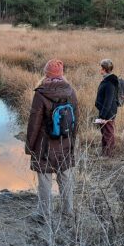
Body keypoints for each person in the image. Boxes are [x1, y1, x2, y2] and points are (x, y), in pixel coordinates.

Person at [25, 59, 79, 220]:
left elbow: (34, 124)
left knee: (45, 181)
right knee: (66, 178)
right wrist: (72, 142)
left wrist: (30, 147)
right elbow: (76, 120)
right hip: (65, 143)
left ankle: (43, 215)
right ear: (61, 74)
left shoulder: (40, 94)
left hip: (44, 146)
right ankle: (68, 212)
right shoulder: (71, 91)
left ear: (46, 74)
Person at [95, 59, 119, 157]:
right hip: (105, 111)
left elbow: (108, 101)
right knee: (105, 132)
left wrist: (103, 116)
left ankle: (109, 155)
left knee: (108, 133)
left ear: (104, 69)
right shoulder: (107, 80)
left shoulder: (109, 83)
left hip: (107, 113)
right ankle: (104, 153)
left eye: (100, 68)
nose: (99, 69)